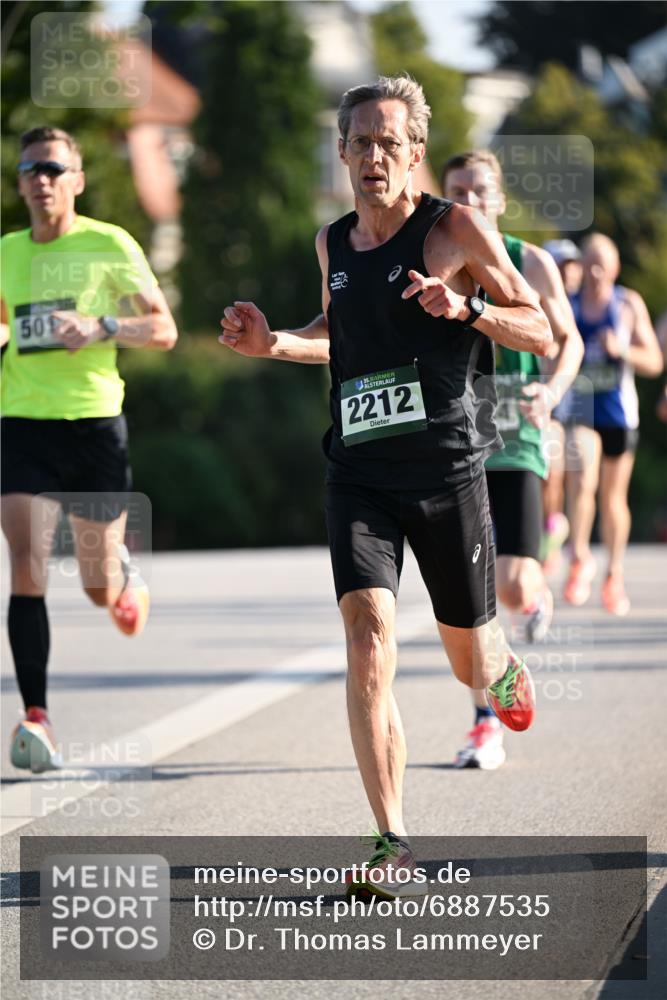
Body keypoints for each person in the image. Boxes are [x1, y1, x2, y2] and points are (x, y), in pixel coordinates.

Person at [220, 76, 551, 895]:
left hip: (446, 469)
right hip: (357, 472)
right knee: (367, 640)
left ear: (414, 153)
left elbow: (539, 329)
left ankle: (497, 659)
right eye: (359, 142)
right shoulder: (331, 243)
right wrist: (273, 345)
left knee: (466, 662)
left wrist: (464, 311)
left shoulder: (457, 229)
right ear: (340, 153)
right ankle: (390, 839)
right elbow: (334, 336)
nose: (373, 156)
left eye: (388, 142)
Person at [1, 126, 178, 773]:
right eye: (30, 169)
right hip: (22, 421)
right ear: (20, 183)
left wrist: (103, 324)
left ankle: (122, 574)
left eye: (54, 167)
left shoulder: (109, 245)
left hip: (95, 425)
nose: (42, 178)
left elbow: (163, 329)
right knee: (27, 562)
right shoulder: (7, 251)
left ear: (75, 180)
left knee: (98, 587)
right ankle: (37, 718)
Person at [441, 151, 584, 770]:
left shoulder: (531, 261)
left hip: (518, 434)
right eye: (456, 193)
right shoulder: (436, 262)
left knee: (515, 582)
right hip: (456, 438)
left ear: (498, 199)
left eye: (478, 192)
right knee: (476, 594)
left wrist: (550, 393)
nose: (468, 203)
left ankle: (538, 592)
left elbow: (567, 338)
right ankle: (484, 724)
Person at [563, 233, 663, 614]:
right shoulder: (569, 305)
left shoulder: (626, 304)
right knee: (583, 479)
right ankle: (580, 558)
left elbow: (654, 361)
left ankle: (614, 574)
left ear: (616, 267)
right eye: (589, 261)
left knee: (612, 497)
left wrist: (624, 351)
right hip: (581, 411)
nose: (595, 269)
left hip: (620, 412)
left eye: (602, 262)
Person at [541, 238, 584, 573]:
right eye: (561, 267)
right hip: (542, 402)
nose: (568, 273)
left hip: (575, 406)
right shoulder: (537, 299)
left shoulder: (581, 306)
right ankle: (549, 528)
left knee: (562, 475)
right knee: (547, 475)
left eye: (571, 267)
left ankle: (554, 529)